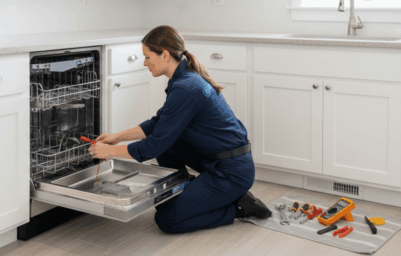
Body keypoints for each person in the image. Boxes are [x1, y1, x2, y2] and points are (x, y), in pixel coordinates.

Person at [88, 25, 271, 234]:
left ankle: (237, 208)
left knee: (167, 220)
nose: (144, 63)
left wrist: (108, 152)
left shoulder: (186, 88)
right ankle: (185, 188)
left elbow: (153, 147)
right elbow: (158, 123)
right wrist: (117, 137)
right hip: (215, 160)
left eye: (147, 57)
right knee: (167, 148)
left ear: (164, 55)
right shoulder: (184, 80)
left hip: (231, 171)